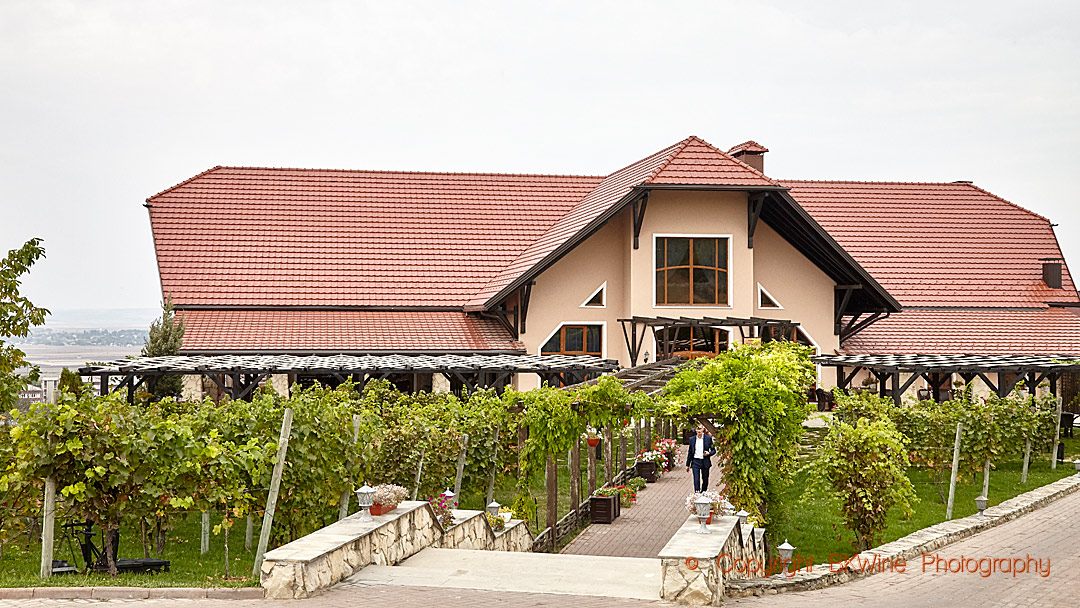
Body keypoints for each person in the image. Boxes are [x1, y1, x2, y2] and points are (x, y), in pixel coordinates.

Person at [685, 424, 716, 492]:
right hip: (695, 461)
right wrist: (687, 465)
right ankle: (697, 494)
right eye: (697, 429)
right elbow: (690, 452)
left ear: (703, 429)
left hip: (705, 461)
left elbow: (714, 450)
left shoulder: (708, 438)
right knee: (696, 479)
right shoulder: (692, 439)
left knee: (705, 479)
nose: (699, 431)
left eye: (700, 429)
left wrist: (709, 453)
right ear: (695, 430)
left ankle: (703, 492)